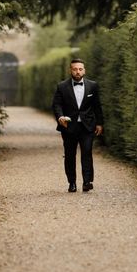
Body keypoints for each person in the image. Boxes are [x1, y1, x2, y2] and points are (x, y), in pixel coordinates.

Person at [51, 58, 104, 192]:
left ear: (84, 70)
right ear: (70, 70)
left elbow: (97, 106)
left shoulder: (93, 85)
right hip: (69, 127)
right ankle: (72, 183)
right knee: (70, 155)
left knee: (87, 153)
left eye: (80, 69)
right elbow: (57, 104)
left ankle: (87, 182)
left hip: (87, 126)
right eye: (75, 69)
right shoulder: (62, 86)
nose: (77, 72)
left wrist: (99, 123)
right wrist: (60, 117)